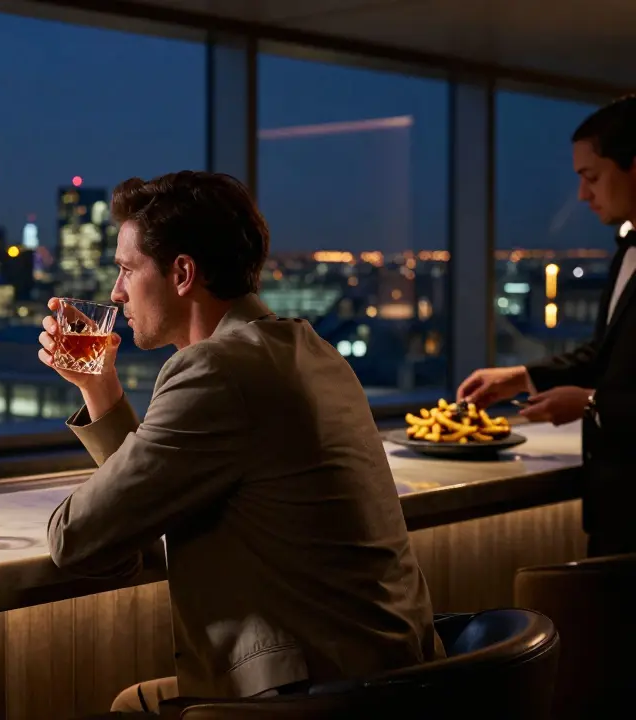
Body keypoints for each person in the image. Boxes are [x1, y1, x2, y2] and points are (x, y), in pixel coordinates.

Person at [39, 170, 443, 712]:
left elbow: (76, 537)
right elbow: (144, 499)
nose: (116, 292)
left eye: (127, 270)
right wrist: (99, 387)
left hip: (318, 698)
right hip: (400, 679)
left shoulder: (215, 371)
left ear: (182, 273)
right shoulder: (309, 350)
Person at [457, 96, 636, 558]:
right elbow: (605, 355)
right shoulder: (625, 253)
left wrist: (593, 404)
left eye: (590, 177)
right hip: (614, 516)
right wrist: (519, 377)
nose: (582, 195)